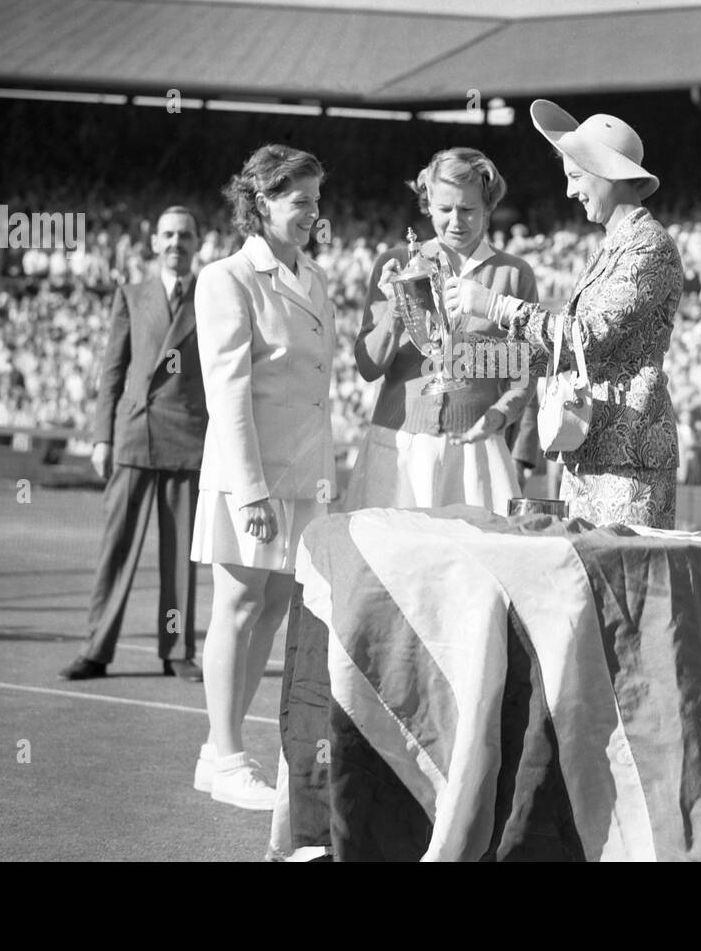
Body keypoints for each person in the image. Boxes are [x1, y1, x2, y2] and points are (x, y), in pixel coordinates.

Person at [444, 100, 683, 528]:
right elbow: (561, 356)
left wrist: (497, 306)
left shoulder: (650, 246)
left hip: (628, 458)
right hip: (586, 451)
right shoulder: (609, 250)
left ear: (608, 173)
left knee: (623, 585)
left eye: (576, 177)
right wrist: (466, 356)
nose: (570, 192)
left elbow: (585, 339)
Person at [189, 146, 336, 811]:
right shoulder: (227, 278)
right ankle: (227, 757)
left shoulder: (316, 278)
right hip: (249, 479)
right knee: (238, 606)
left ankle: (215, 750)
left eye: (315, 198)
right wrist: (248, 490)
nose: (312, 211)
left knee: (273, 610)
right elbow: (229, 394)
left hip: (302, 476)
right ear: (263, 201)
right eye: (299, 199)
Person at [346, 147, 538, 513]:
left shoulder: (514, 274)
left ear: (488, 208)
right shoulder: (396, 263)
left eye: (468, 210)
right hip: (398, 443)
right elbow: (368, 367)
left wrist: (498, 415)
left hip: (477, 448)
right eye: (444, 210)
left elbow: (522, 373)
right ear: (427, 204)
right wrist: (396, 312)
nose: (456, 221)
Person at [60, 206, 207, 683]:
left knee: (181, 554)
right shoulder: (131, 294)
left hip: (187, 436)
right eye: (167, 234)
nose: (175, 243)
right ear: (154, 242)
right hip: (135, 434)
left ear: (197, 242)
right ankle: (97, 650)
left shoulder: (213, 295)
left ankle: (178, 650)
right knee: (116, 549)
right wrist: (102, 436)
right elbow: (112, 372)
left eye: (184, 235)